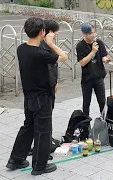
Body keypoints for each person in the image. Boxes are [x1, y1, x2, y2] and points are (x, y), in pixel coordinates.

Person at [6, 17, 68, 175]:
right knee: (43, 131)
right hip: (42, 97)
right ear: (43, 32)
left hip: (29, 96)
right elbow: (64, 56)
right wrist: (51, 43)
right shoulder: (41, 53)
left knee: (28, 127)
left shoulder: (22, 48)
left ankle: (16, 158)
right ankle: (40, 166)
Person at [76, 23, 111, 116]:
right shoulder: (80, 46)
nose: (94, 35)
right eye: (91, 33)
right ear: (85, 34)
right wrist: (92, 52)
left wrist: (105, 59)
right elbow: (82, 62)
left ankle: (104, 121)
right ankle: (85, 124)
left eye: (95, 33)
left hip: (99, 76)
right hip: (87, 78)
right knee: (86, 103)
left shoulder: (98, 42)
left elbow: (103, 55)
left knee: (102, 101)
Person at [40, 20, 60, 109]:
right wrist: (53, 83)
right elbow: (49, 68)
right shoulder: (44, 47)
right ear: (51, 32)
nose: (58, 33)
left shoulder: (48, 46)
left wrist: (56, 82)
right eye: (56, 31)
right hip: (45, 89)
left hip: (51, 85)